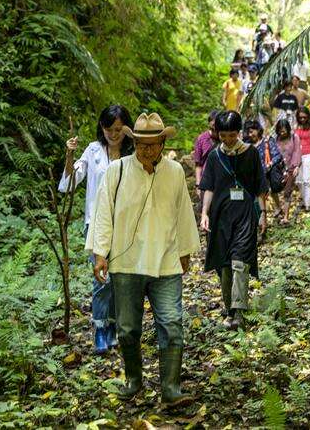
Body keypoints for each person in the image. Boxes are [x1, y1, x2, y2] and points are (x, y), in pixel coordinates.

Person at [86, 112, 198, 406]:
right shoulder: (117, 171)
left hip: (166, 261)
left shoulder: (174, 172)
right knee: (127, 327)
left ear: (162, 143)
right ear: (133, 143)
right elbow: (103, 214)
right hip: (126, 263)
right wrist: (100, 253)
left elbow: (184, 212)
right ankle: (134, 380)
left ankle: (171, 388)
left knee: (172, 323)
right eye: (141, 145)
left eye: (153, 144)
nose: (147, 150)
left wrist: (185, 250)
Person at [60, 105, 133, 355]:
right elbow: (71, 180)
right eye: (108, 129)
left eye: (117, 129)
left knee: (120, 279)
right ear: (101, 128)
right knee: (102, 278)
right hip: (97, 222)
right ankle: (100, 329)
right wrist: (70, 156)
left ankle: (114, 327)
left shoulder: (132, 153)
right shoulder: (93, 151)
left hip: (125, 223)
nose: (113, 134)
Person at [200, 111, 268, 330]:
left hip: (245, 214)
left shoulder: (251, 154)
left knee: (240, 260)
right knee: (225, 264)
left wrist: (263, 214)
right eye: (223, 135)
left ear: (239, 133)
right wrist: (204, 214)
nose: (228, 140)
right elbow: (208, 187)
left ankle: (238, 311)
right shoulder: (213, 156)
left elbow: (260, 186)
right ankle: (229, 308)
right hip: (220, 217)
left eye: (231, 135)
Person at [245, 119, 284, 222]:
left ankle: (278, 210)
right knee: (259, 196)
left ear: (258, 130)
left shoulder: (267, 140)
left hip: (268, 171)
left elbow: (277, 155)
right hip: (254, 175)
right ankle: (262, 217)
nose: (250, 134)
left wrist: (270, 164)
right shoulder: (246, 145)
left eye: (252, 131)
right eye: (248, 132)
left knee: (272, 191)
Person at [275, 119, 301, 225]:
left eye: (284, 130)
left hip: (291, 168)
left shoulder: (294, 138)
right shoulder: (276, 140)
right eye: (280, 130)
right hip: (279, 169)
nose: (283, 132)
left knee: (287, 192)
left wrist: (296, 166)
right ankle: (278, 208)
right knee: (274, 188)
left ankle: (285, 217)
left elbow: (297, 152)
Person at [295, 107, 310, 211]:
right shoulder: (295, 126)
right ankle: (304, 200)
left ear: (308, 116)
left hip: (309, 154)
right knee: (298, 180)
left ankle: (308, 204)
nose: (302, 119)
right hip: (298, 156)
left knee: (306, 180)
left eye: (304, 117)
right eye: (300, 117)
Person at [193, 110, 219, 199]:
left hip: (222, 181)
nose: (214, 124)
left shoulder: (225, 138)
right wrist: (198, 184)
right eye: (212, 121)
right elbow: (198, 164)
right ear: (209, 123)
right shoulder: (202, 139)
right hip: (206, 181)